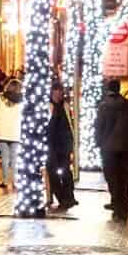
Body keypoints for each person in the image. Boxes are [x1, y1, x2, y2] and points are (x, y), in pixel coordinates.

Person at [95, 79, 128, 218]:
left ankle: (116, 200)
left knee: (111, 175)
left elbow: (99, 126)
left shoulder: (103, 106)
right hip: (124, 146)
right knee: (124, 174)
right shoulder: (127, 105)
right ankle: (124, 200)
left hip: (108, 147)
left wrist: (98, 141)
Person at [47, 82, 77, 211]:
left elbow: (69, 124)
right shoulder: (48, 106)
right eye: (56, 92)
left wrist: (71, 142)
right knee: (53, 174)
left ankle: (69, 197)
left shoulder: (65, 105)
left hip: (64, 145)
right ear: (52, 93)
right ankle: (62, 198)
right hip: (51, 145)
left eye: (60, 92)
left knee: (66, 173)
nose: (59, 95)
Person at [0, 79, 23, 191]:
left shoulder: (1, 98)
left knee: (5, 158)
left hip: (2, 133)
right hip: (15, 133)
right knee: (15, 159)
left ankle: (5, 181)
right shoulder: (22, 100)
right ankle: (15, 182)